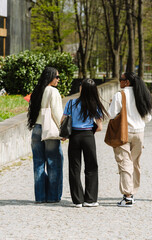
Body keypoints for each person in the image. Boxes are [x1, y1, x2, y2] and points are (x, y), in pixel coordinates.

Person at [61, 78, 108, 208]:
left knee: (74, 168)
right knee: (91, 167)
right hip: (88, 136)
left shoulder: (71, 103)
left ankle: (77, 200)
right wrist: (89, 132)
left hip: (74, 136)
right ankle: (90, 199)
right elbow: (99, 127)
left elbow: (63, 121)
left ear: (81, 88)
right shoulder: (95, 104)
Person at [108, 72, 152, 207]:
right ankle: (132, 192)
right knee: (134, 163)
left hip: (124, 133)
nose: (119, 82)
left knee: (124, 163)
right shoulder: (143, 95)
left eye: (121, 80)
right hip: (140, 133)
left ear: (127, 82)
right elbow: (148, 118)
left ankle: (128, 196)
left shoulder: (120, 95)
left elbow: (111, 115)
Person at [27, 66, 64, 203]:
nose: (58, 80)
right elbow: (57, 113)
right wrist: (63, 131)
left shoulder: (38, 91)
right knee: (54, 163)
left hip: (37, 129)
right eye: (57, 77)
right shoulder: (52, 91)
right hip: (49, 130)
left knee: (38, 163)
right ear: (50, 77)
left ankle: (40, 196)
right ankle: (53, 196)